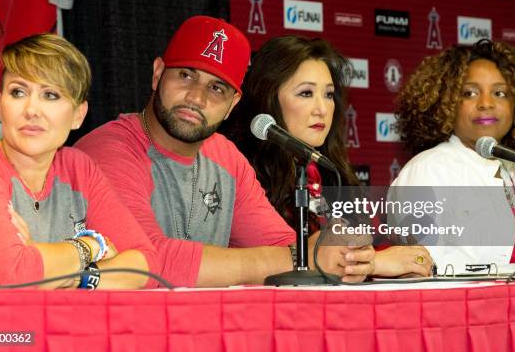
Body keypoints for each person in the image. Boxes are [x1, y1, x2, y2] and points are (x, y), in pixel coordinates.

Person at [75, 16, 375, 287]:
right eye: (186, 75)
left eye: (217, 88)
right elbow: (148, 264)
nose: (196, 97)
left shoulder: (225, 157)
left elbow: (284, 244)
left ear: (233, 104)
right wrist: (304, 258)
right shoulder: (108, 150)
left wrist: (346, 255)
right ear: (158, 74)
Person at [0, 33, 160, 289]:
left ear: (78, 115)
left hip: (46, 327)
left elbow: (147, 265)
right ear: (0, 105)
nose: (31, 110)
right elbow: (18, 274)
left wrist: (75, 278)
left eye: (50, 95)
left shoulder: (79, 168)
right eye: (18, 92)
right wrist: (90, 245)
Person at [223, 35, 434, 278]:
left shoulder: (331, 173)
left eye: (329, 95)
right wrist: (375, 263)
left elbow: (379, 245)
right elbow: (295, 260)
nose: (322, 109)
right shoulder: (243, 175)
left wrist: (409, 262)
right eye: (305, 93)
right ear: (268, 99)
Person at [390, 39, 515, 271]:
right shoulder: (428, 170)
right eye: (470, 93)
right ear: (447, 103)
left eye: (500, 93)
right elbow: (417, 273)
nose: (486, 103)